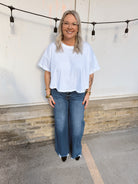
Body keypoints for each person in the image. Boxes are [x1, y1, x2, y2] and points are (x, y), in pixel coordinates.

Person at [38, 10, 100, 162]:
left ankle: (76, 151)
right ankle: (62, 151)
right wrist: (48, 92)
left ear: (78, 27)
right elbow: (47, 72)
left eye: (74, 23)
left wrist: (88, 93)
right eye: (66, 23)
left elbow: (91, 73)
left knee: (77, 127)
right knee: (60, 126)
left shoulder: (86, 49)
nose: (69, 27)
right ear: (61, 26)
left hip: (78, 94)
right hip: (58, 94)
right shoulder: (53, 48)